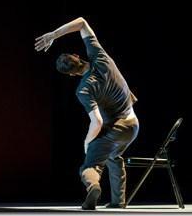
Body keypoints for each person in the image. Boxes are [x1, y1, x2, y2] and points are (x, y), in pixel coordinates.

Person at [35, 17, 139, 210]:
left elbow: (97, 122)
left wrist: (87, 141)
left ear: (71, 75)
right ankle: (118, 201)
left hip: (117, 127)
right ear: (78, 55)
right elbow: (82, 22)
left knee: (89, 166)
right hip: (133, 125)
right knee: (113, 156)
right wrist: (53, 35)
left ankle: (93, 187)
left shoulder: (83, 89)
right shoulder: (100, 58)